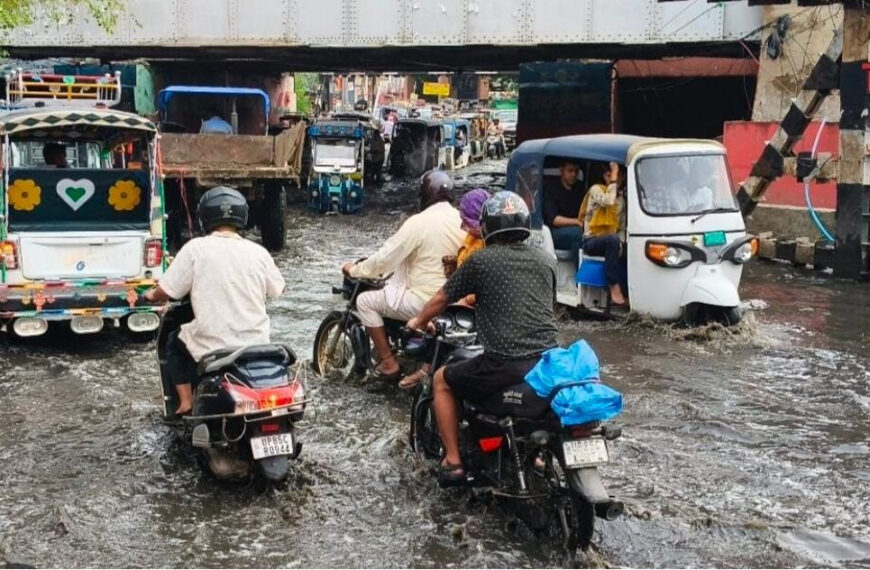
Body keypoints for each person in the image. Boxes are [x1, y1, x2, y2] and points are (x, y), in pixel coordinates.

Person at [407, 191, 559, 484]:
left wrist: (418, 320)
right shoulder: (546, 259)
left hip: (505, 363)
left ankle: (453, 460)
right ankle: (538, 456)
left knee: (441, 380)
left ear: (488, 227)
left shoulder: (481, 261)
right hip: (547, 362)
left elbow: (441, 298)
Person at [144, 186, 285, 415]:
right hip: (256, 342)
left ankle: (186, 403)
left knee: (173, 342)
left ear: (205, 217)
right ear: (243, 216)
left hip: (214, 343)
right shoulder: (259, 251)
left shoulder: (195, 249)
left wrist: (150, 295)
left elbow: (168, 290)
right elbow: (278, 288)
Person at [341, 170, 465, 383]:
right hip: (457, 303)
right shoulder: (462, 220)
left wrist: (355, 270)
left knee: (365, 301)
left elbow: (384, 259)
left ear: (425, 195)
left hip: (425, 301)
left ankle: (389, 363)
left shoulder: (419, 222)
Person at [400, 188, 491, 390]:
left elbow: (484, 285)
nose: (463, 226)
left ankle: (427, 370)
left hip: (477, 306)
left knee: (438, 320)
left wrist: (464, 300)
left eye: (467, 220)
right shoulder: (471, 240)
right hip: (465, 297)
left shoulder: (487, 248)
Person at [582, 162, 627, 306]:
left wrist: (622, 245)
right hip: (592, 240)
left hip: (612, 241)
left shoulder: (621, 200)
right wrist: (613, 176)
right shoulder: (596, 190)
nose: (613, 179)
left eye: (617, 176)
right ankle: (613, 285)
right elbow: (608, 201)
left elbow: (621, 228)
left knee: (621, 243)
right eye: (609, 175)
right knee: (612, 240)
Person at [542, 159, 586, 266]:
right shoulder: (550, 188)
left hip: (579, 227)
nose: (573, 174)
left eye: (576, 171)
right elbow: (554, 219)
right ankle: (580, 271)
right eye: (570, 171)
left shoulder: (580, 188)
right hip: (555, 231)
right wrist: (577, 221)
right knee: (578, 235)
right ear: (561, 170)